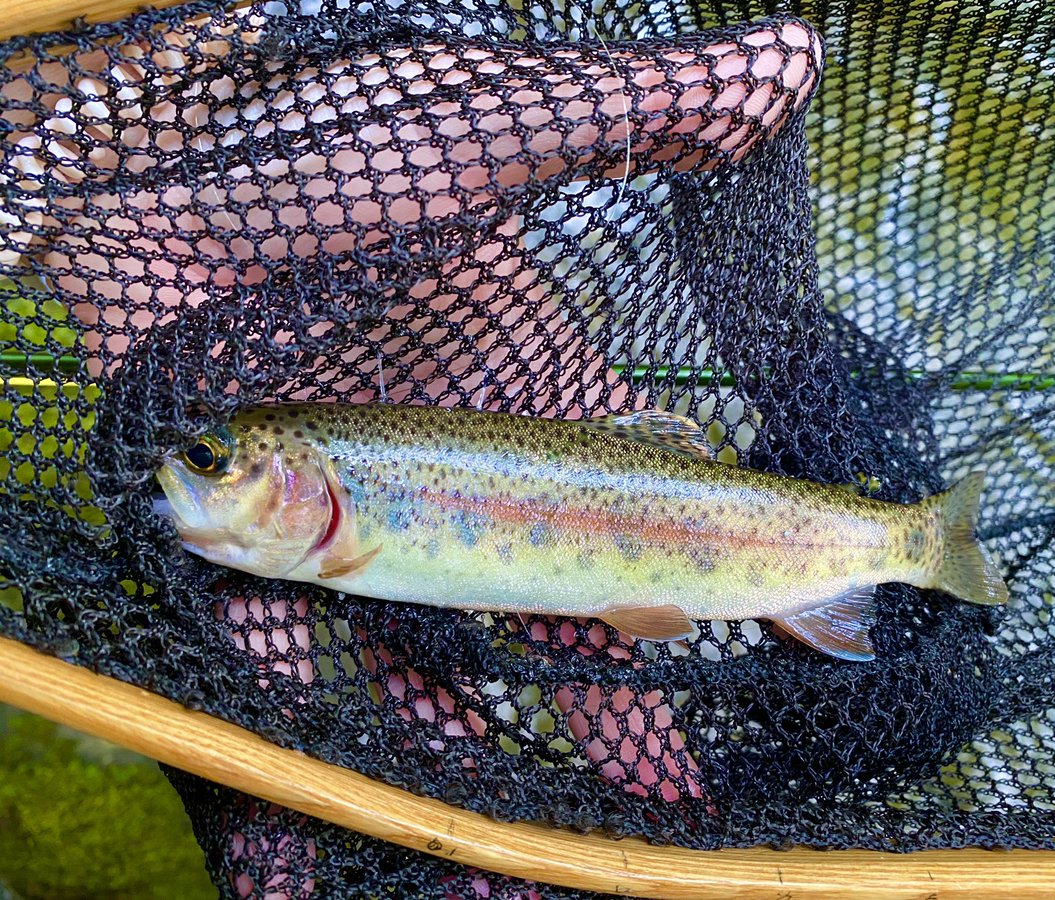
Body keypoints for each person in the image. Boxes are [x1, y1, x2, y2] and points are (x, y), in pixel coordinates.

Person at [2, 7, 823, 895]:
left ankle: (896, 550)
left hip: (190, 129)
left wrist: (125, 116)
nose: (178, 470)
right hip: (151, 161)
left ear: (306, 481)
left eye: (210, 461)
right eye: (207, 461)